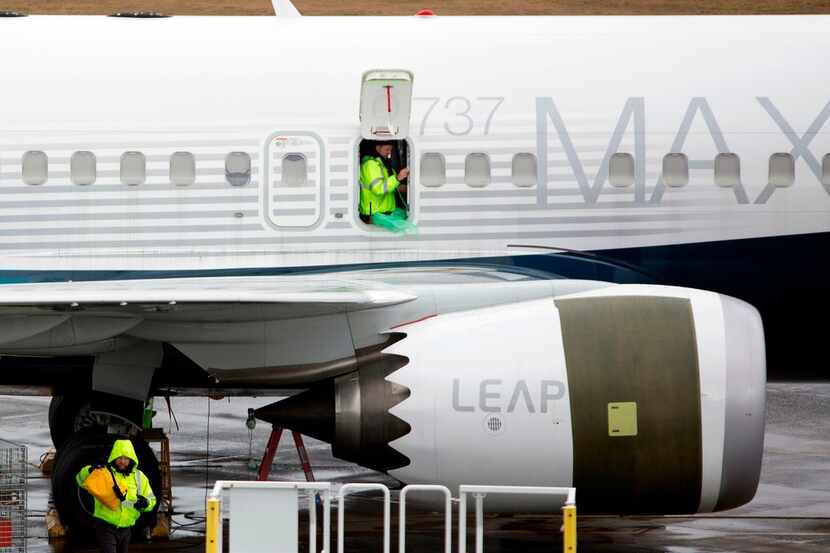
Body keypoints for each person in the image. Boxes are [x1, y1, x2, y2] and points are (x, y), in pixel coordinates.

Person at [76, 439, 157, 553]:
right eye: (119, 458)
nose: (122, 461)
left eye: (126, 458)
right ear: (114, 458)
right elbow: (80, 480)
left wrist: (146, 503)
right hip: (106, 527)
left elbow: (151, 499)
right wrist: (90, 470)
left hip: (126, 529)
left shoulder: (140, 477)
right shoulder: (104, 473)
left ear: (131, 459)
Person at [359, 140, 411, 229]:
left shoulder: (382, 164)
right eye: (387, 149)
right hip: (375, 215)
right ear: (378, 147)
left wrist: (405, 188)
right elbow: (378, 188)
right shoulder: (370, 165)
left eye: (391, 150)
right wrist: (397, 178)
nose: (389, 153)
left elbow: (390, 185)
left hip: (384, 213)